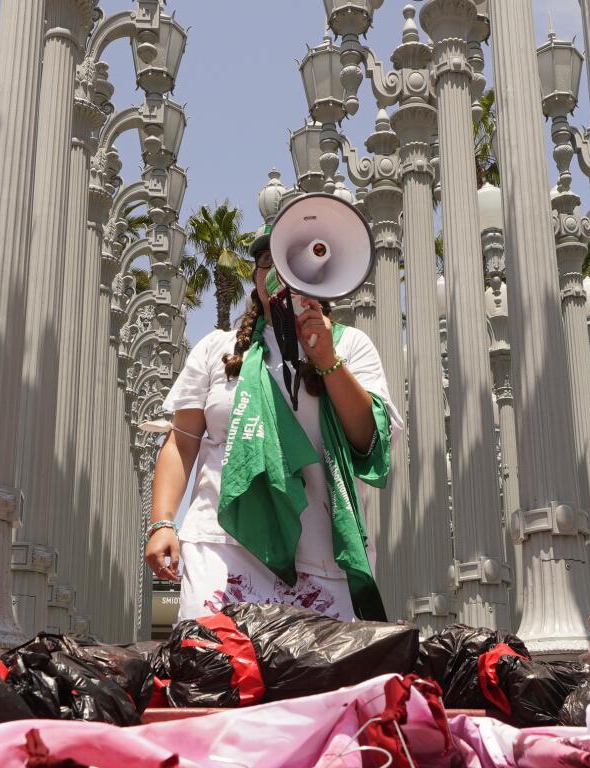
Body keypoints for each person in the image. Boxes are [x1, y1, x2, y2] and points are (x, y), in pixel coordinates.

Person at [144, 229, 401, 622]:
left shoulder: (351, 346)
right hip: (221, 546)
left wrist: (328, 360)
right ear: (257, 277)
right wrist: (162, 523)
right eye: (268, 261)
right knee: (220, 673)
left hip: (320, 558)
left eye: (295, 262)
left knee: (317, 682)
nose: (280, 272)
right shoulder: (217, 349)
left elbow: (368, 440)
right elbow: (183, 444)